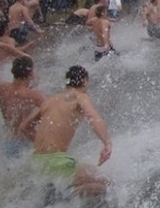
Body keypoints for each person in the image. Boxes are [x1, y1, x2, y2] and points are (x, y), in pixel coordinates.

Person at [20, 65, 112, 197]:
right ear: (85, 81)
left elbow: (24, 127)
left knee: (85, 178)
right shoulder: (80, 96)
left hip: (37, 161)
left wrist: (48, 146)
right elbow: (92, 116)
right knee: (107, 183)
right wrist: (107, 143)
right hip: (56, 161)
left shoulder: (50, 100)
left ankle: (59, 194)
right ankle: (66, 196)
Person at [0, 56, 45, 156]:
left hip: (5, 142)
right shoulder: (32, 95)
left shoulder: (0, 87)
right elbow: (52, 110)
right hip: (23, 143)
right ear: (30, 73)